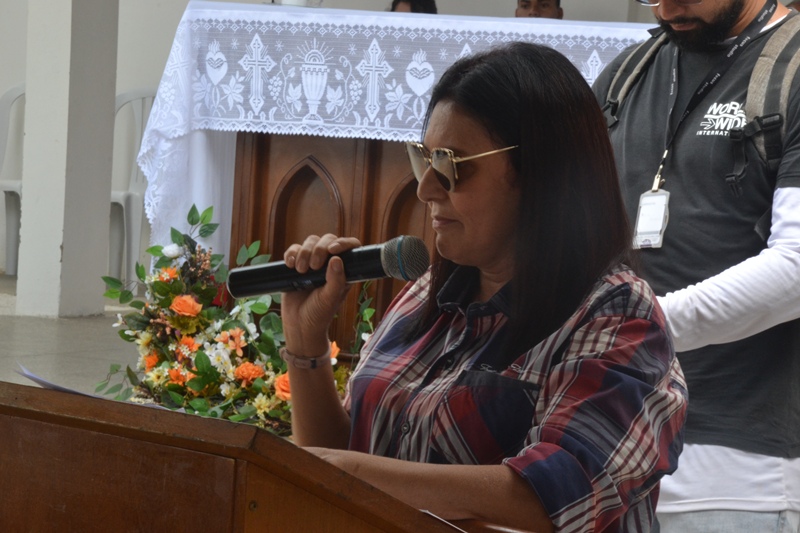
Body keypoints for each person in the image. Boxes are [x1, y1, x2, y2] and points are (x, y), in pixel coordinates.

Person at [278, 42, 687, 533]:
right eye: (423, 159)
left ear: (541, 172)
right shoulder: (426, 294)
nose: (426, 188)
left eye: (450, 164)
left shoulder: (618, 314)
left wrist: (354, 474)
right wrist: (306, 346)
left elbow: (559, 493)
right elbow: (332, 476)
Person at [592, 0, 800, 532]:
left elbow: (796, 268)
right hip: (604, 447)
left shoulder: (792, 67)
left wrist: (638, 327)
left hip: (736, 466)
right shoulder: (626, 75)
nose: (666, 7)